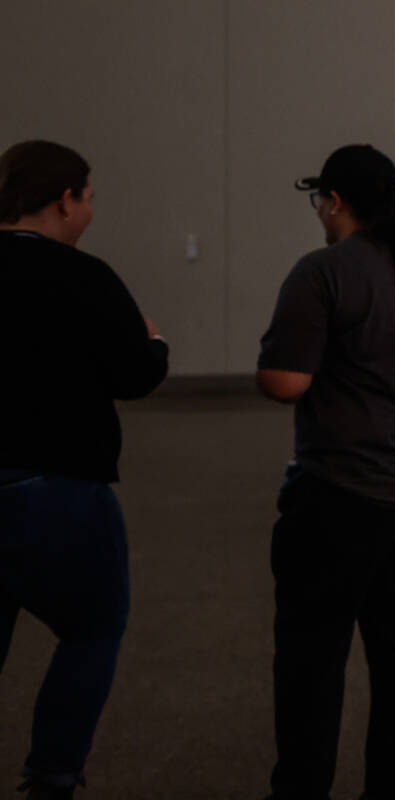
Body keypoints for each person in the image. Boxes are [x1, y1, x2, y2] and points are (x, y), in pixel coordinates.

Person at [257, 144, 395, 800]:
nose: (319, 213)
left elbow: (285, 381)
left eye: (320, 200)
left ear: (337, 201)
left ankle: (302, 788)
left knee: (312, 651)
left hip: (344, 491)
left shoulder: (324, 272)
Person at [0, 141, 168, 800]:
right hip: (60, 489)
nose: (91, 210)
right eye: (90, 197)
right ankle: (51, 778)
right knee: (93, 629)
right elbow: (134, 375)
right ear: (65, 200)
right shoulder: (85, 276)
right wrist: (156, 342)